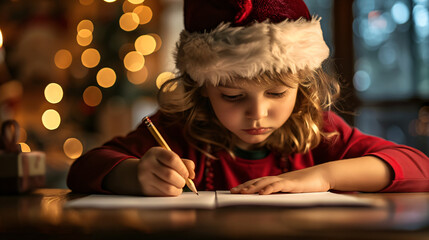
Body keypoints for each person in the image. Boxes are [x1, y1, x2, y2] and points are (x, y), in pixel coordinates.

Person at [67, 0, 429, 196]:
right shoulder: (179, 129)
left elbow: (419, 166)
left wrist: (324, 177)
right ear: (202, 88)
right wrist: (135, 175)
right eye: (232, 95)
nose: (258, 113)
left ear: (301, 85)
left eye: (276, 93)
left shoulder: (318, 130)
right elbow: (84, 169)